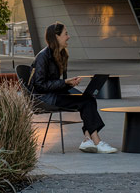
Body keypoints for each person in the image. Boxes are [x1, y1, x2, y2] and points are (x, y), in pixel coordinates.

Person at [30, 22, 118, 154]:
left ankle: (88, 139)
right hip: (44, 98)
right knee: (86, 101)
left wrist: (68, 83)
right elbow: (39, 85)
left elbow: (57, 82)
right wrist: (64, 82)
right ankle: (97, 142)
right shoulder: (43, 56)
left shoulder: (62, 54)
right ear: (56, 36)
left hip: (54, 93)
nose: (68, 37)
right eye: (66, 34)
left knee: (89, 98)